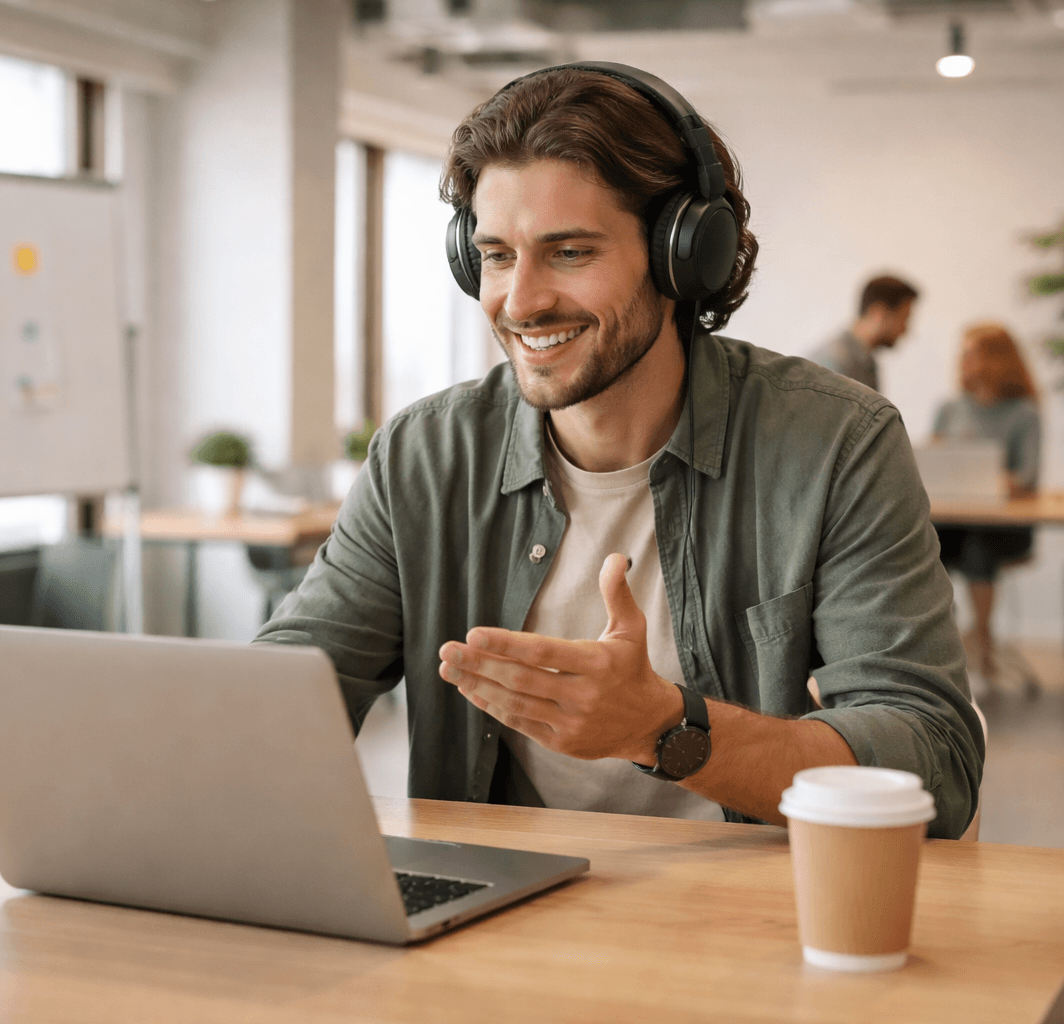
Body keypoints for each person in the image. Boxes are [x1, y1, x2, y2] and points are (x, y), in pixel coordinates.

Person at [257, 63, 982, 839]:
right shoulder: (424, 455)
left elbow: (931, 759)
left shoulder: (836, 443)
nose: (521, 300)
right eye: (497, 255)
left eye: (569, 252)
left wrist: (666, 729)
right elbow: (289, 695)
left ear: (685, 257)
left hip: (757, 927)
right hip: (489, 928)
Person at [933, 322, 1042, 680]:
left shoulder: (1024, 414)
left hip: (1002, 528)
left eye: (973, 353)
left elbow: (1026, 478)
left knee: (979, 550)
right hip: (952, 521)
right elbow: (929, 463)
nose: (964, 361)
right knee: (923, 543)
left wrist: (985, 478)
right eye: (963, 353)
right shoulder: (949, 408)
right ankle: (937, 640)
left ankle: (982, 639)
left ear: (998, 359)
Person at [808, 276, 920, 393]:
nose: (905, 330)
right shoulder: (833, 362)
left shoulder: (867, 363)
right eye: (904, 319)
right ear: (878, 314)